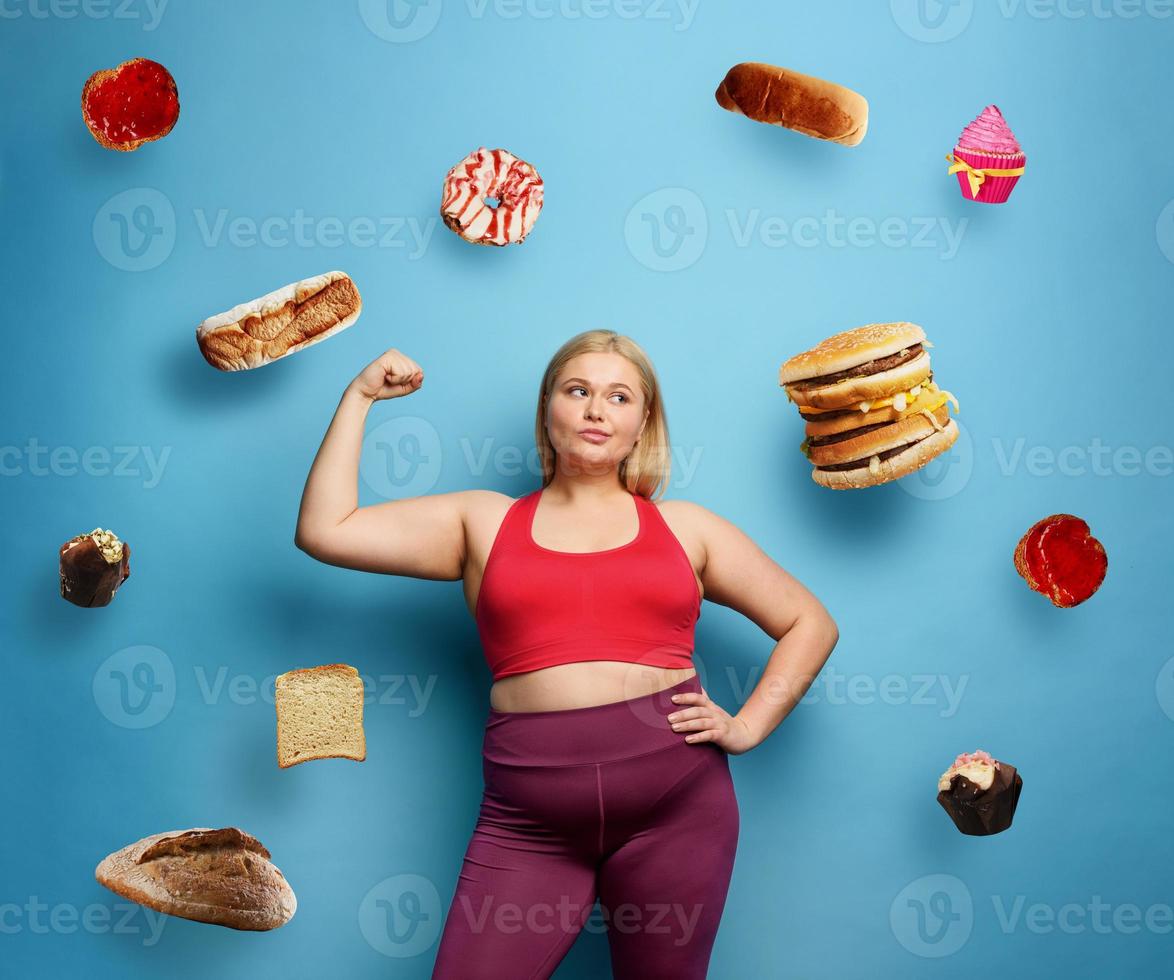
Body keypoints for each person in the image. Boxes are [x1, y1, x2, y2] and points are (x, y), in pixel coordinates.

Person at [294, 329, 839, 979]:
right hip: (527, 824)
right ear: (547, 409)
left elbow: (810, 622)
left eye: (619, 396)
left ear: (642, 424)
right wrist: (359, 397)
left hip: (679, 811)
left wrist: (746, 725)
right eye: (577, 391)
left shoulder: (687, 528)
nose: (595, 409)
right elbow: (325, 531)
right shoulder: (483, 521)